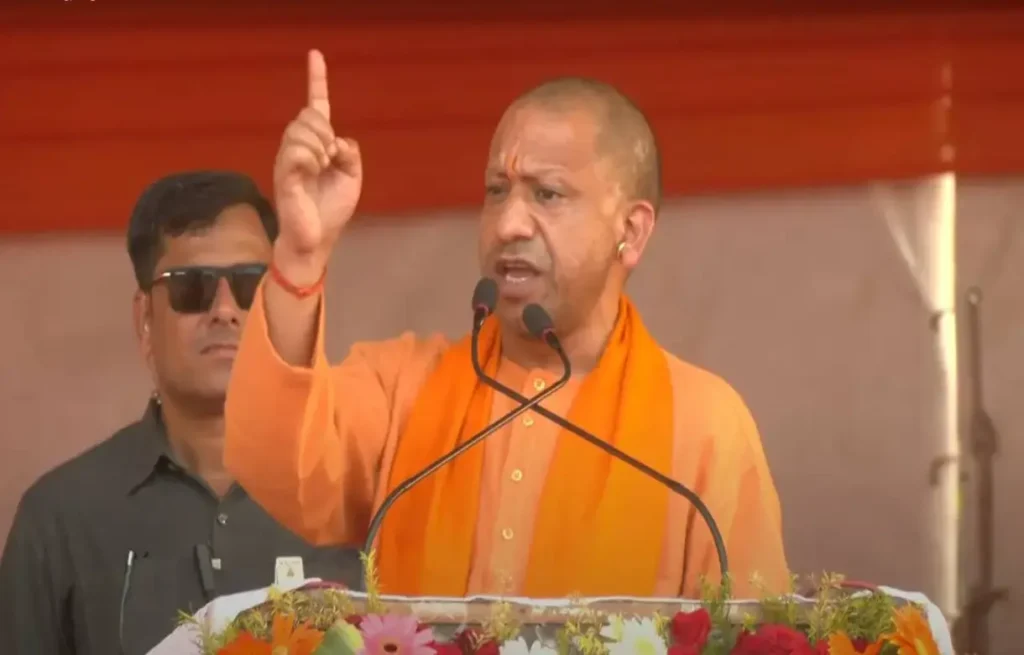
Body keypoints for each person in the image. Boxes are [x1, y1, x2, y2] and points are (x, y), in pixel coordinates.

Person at [224, 50, 790, 599]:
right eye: (497, 191)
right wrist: (300, 255)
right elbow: (281, 468)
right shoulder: (404, 389)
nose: (508, 223)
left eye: (548, 194)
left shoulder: (705, 428)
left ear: (631, 231)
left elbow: (752, 636)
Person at [0, 171, 361, 655]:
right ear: (145, 321)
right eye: (192, 288)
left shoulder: (352, 499)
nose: (225, 310)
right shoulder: (60, 519)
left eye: (250, 285)